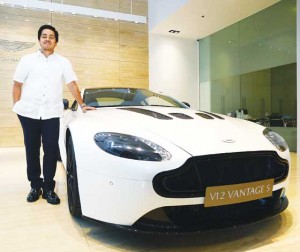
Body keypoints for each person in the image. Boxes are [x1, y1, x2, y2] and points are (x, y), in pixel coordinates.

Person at [12, 24, 95, 205]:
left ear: (56, 41)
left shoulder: (63, 62)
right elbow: (17, 84)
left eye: (51, 36)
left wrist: (82, 104)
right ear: (39, 39)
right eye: (44, 36)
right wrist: (17, 105)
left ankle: (49, 187)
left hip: (51, 114)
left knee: (50, 150)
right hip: (28, 113)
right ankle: (35, 185)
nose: (47, 39)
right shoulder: (27, 60)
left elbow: (72, 84)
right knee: (31, 149)